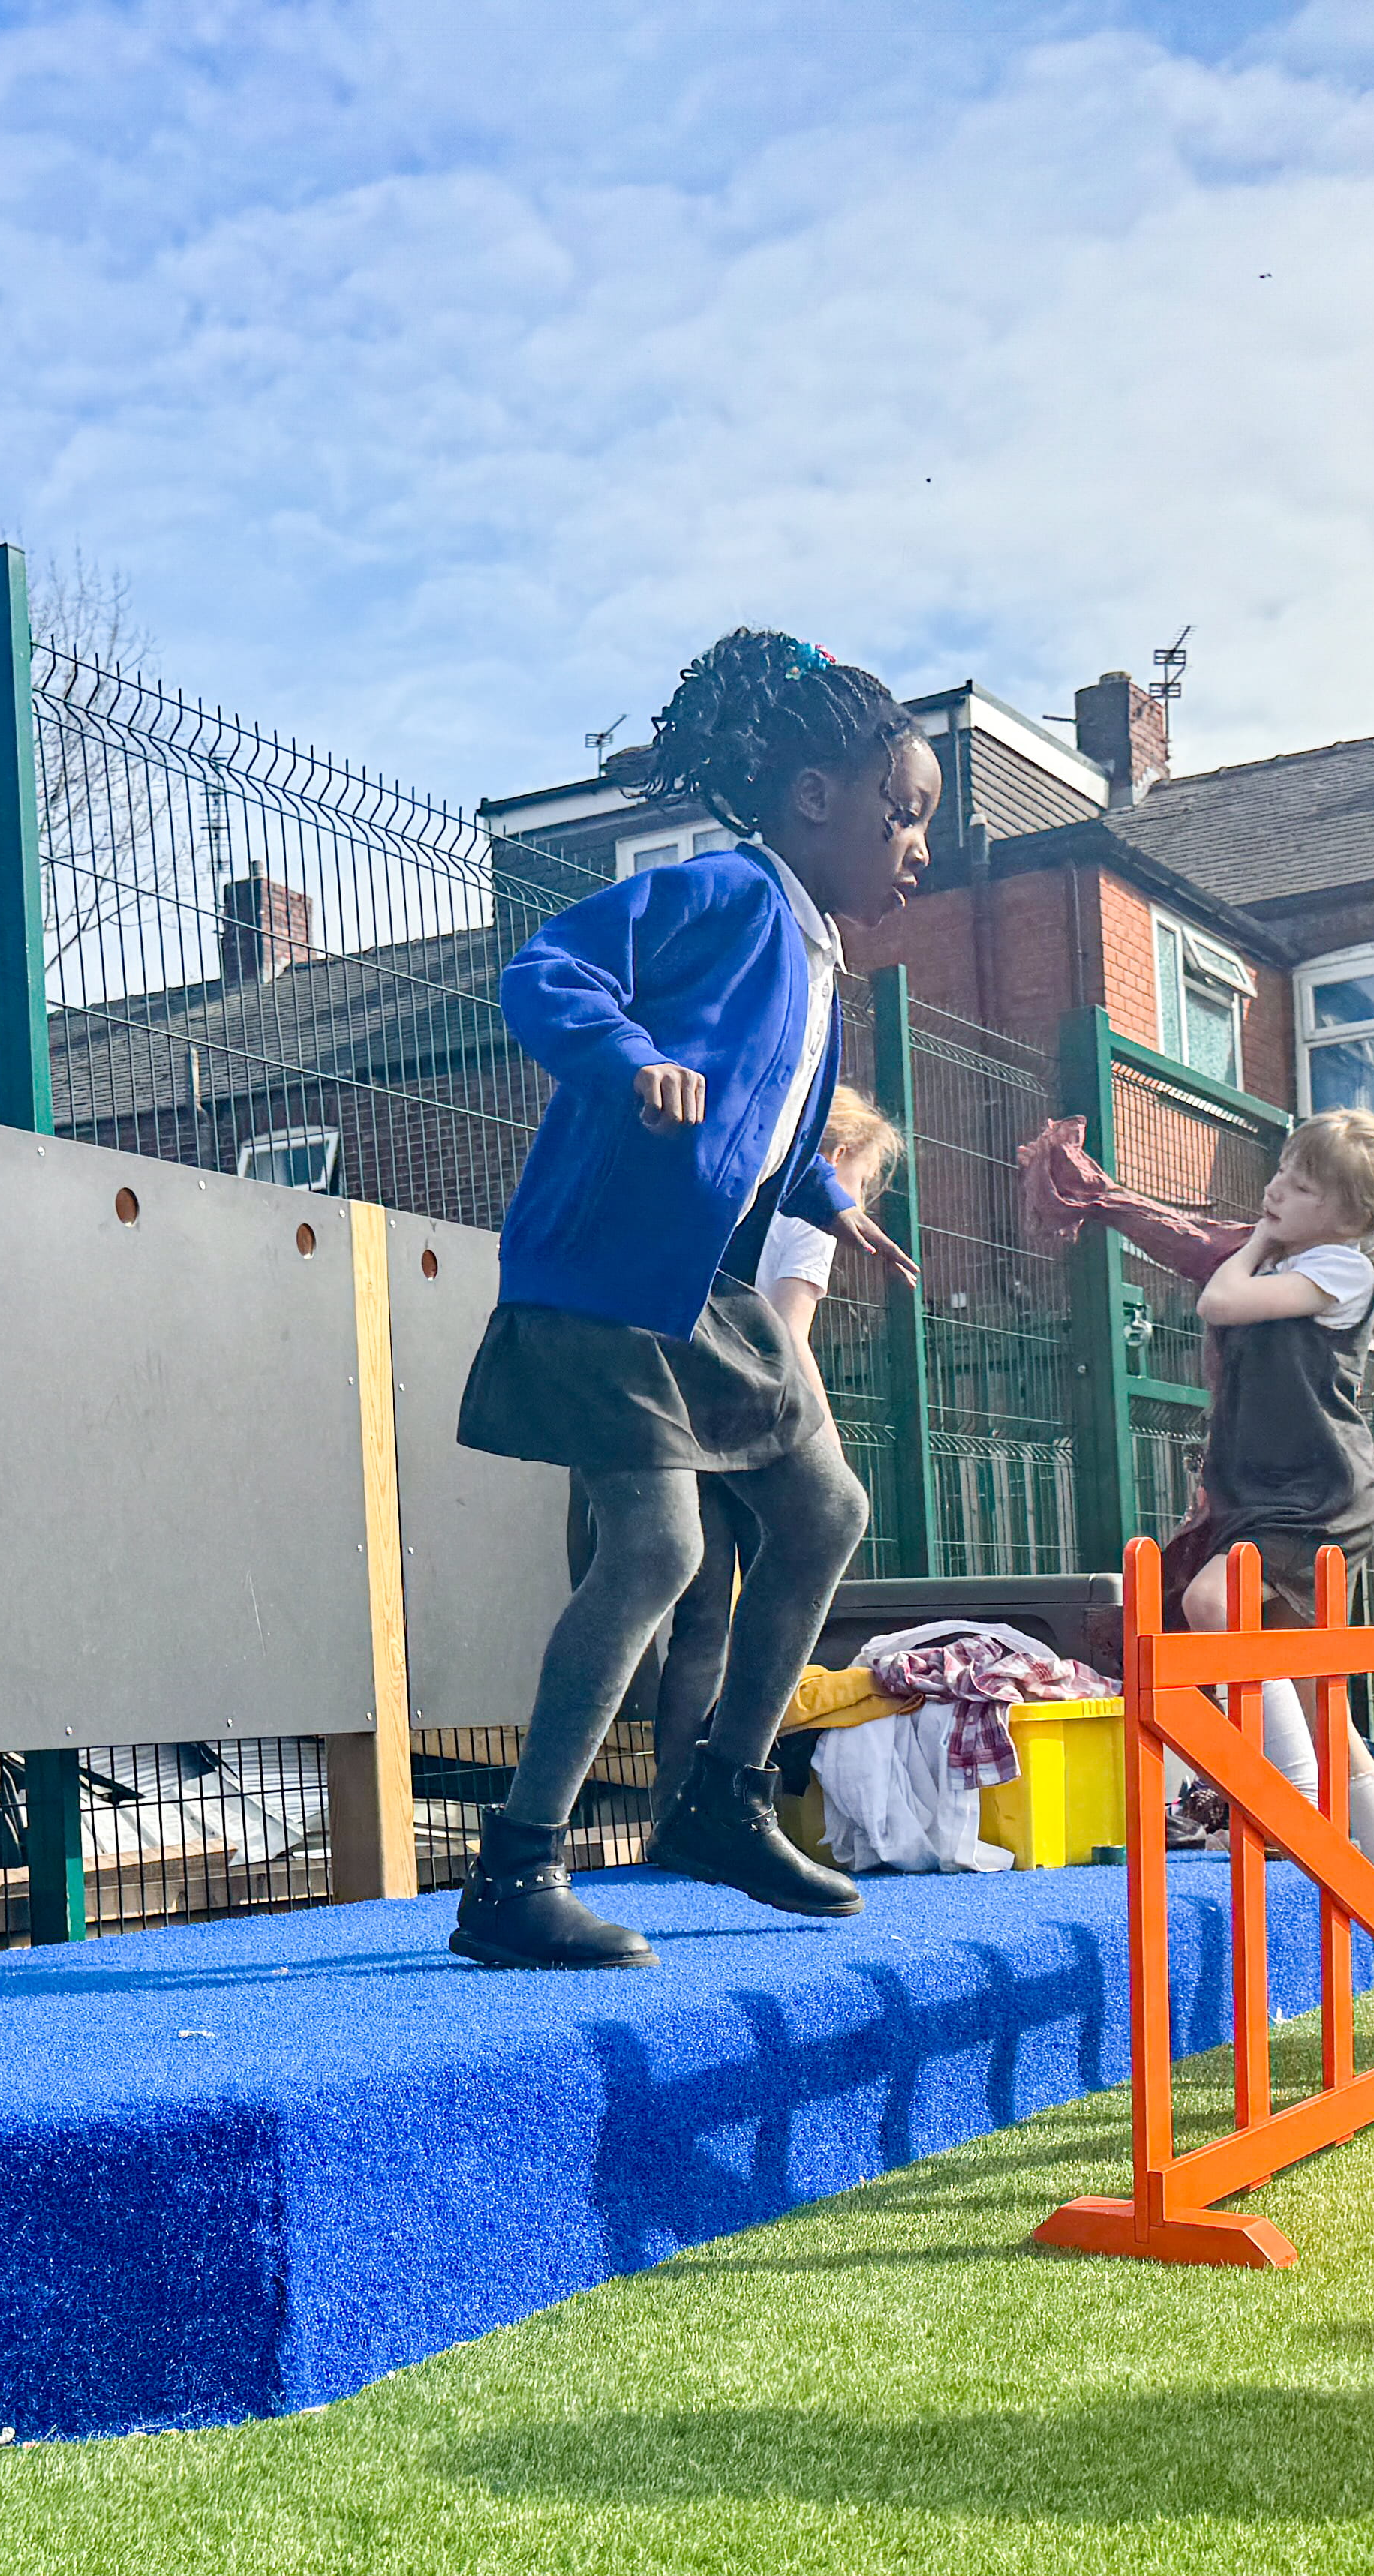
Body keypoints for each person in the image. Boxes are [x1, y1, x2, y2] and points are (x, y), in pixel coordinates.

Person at [452, 631, 928, 1970]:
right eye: (901, 812)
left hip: (699, 1293)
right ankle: (513, 1873)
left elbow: (766, 1133)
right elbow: (547, 971)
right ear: (812, 798)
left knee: (828, 1506)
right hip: (603, 1283)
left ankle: (721, 1794)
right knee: (656, 1551)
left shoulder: (818, 955)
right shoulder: (724, 892)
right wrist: (627, 1055)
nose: (917, 846)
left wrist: (833, 1210)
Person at [1037, 1106, 1374, 1876]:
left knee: (1210, 1606)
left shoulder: (1340, 1269)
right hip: (1263, 1493)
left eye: (1300, 1189)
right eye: (1281, 1176)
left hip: (1318, 1495)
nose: (1275, 1194)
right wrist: (1104, 1200)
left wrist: (1259, 1239)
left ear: (1350, 1218)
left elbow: (1218, 1300)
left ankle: (1296, 1820)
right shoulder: (1284, 1258)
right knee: (1307, 1686)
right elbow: (1192, 1248)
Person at [644, 1085, 909, 1818]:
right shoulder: (813, 1215)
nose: (855, 1199)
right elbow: (789, 1332)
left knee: (700, 1621)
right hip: (754, 1415)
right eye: (858, 1183)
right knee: (775, 1589)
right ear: (841, 1155)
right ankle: (732, 1793)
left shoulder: (742, 1179)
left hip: (685, 1392)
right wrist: (821, 1440)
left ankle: (672, 1807)